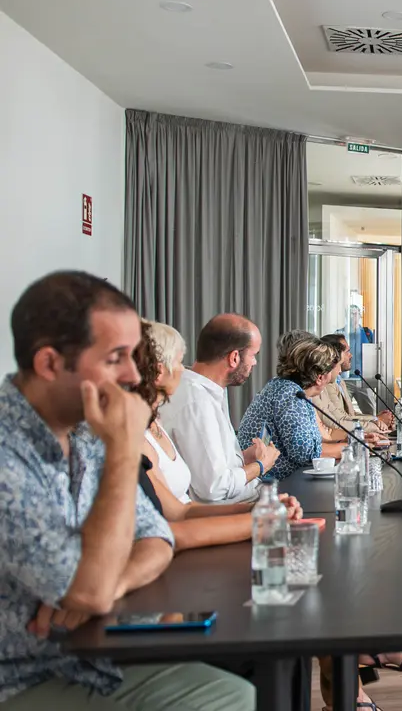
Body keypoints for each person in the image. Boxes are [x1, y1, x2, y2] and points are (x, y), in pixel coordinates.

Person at [0, 271, 253, 710]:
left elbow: (157, 538)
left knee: (250, 666)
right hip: (27, 677)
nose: (135, 374)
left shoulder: (83, 429)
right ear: (50, 364)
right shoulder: (10, 455)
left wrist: (109, 584)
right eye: (117, 357)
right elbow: (90, 591)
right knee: (230, 694)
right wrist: (122, 448)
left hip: (91, 651)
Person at [133, 321, 303, 551]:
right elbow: (208, 492)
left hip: (207, 523)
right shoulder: (190, 402)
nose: (184, 370)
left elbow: (183, 510)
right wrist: (260, 509)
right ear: (160, 371)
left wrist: (260, 509)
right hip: (195, 540)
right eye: (178, 362)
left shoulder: (156, 423)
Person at [160, 313, 280, 503]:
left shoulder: (208, 392)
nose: (255, 363)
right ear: (234, 358)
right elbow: (214, 488)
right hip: (226, 514)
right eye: (253, 355)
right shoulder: (197, 403)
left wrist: (242, 458)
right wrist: (260, 466)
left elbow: (208, 463)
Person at [237, 335, 345, 480]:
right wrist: (350, 449)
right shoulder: (289, 394)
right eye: (331, 370)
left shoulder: (290, 390)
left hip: (286, 482)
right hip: (267, 487)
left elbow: (312, 443)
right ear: (319, 377)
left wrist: (345, 444)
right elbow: (305, 453)